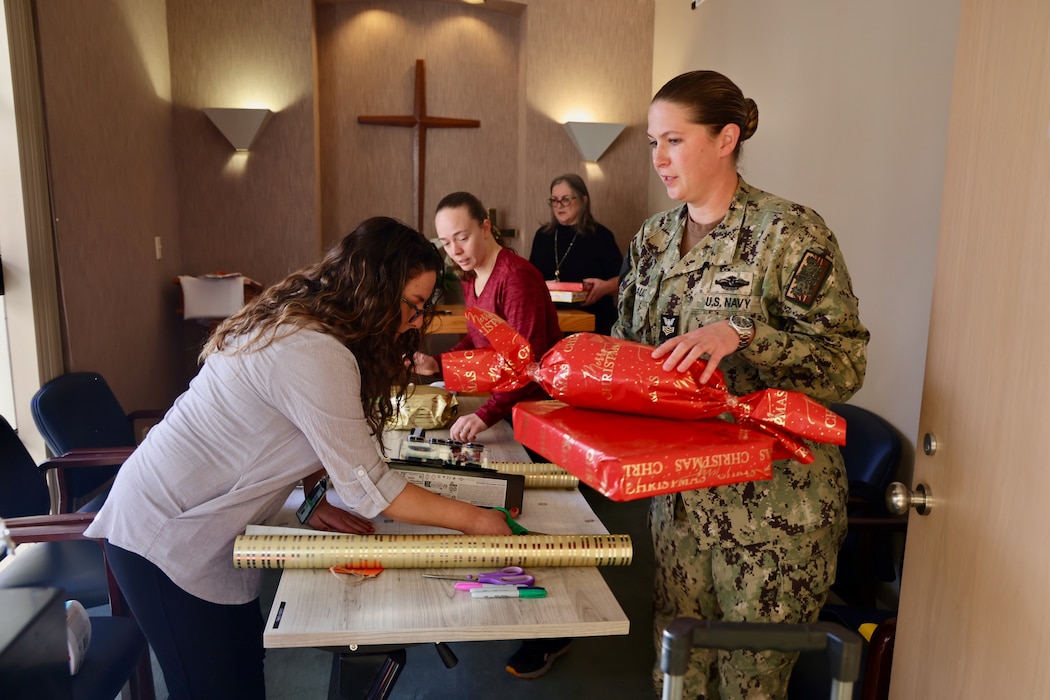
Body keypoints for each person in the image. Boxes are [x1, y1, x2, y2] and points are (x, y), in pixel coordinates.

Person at [84, 218, 511, 700]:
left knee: (242, 672)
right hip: (165, 535)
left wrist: (312, 498)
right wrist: (474, 521)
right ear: (374, 288)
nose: (415, 322)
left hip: (205, 526)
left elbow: (298, 430)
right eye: (412, 307)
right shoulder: (313, 348)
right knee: (210, 687)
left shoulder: (310, 324)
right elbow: (370, 487)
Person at [613, 70, 869, 699]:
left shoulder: (790, 234)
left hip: (774, 512)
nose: (659, 159)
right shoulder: (652, 240)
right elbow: (629, 354)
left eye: (673, 140)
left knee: (750, 684)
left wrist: (746, 335)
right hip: (678, 502)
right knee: (677, 674)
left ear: (726, 138)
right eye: (653, 143)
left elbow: (844, 365)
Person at [413, 192, 571, 678]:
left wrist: (484, 416)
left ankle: (554, 631)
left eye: (462, 236)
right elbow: (480, 341)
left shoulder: (516, 277)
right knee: (512, 509)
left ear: (486, 227)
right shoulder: (470, 276)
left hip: (538, 409)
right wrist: (438, 363)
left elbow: (524, 364)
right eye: (445, 242)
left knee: (546, 516)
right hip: (509, 408)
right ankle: (523, 602)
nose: (455, 249)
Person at [528, 173, 623, 334]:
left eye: (565, 199)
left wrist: (605, 287)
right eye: (554, 200)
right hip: (550, 322)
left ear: (583, 200)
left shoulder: (601, 236)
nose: (559, 205)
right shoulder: (543, 236)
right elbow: (530, 279)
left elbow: (626, 281)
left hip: (593, 323)